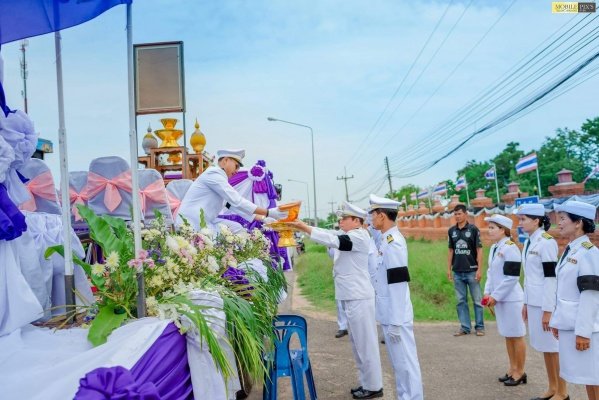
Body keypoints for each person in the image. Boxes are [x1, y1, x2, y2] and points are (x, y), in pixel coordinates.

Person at [289, 202, 383, 399]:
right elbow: (328, 234)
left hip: (359, 297)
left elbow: (332, 239)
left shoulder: (359, 237)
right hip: (351, 296)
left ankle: (374, 386)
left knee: (366, 345)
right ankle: (366, 383)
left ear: (357, 221)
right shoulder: (350, 235)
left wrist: (303, 227)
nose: (340, 220)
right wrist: (303, 226)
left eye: (344, 218)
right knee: (357, 344)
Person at [368, 194, 423, 400]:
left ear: (382, 215)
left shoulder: (394, 242)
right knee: (399, 365)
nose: (371, 219)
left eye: (373, 214)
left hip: (396, 315)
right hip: (389, 313)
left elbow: (398, 284)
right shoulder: (384, 240)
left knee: (406, 364)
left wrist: (397, 321)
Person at [515, 203, 568, 400]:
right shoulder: (529, 241)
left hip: (545, 304)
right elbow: (529, 277)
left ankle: (562, 392)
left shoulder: (546, 242)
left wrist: (548, 310)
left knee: (553, 349)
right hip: (534, 302)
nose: (520, 223)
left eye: (523, 219)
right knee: (545, 347)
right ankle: (552, 387)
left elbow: (550, 278)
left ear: (536, 220)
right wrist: (526, 303)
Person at [550, 200, 599, 400]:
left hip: (587, 329)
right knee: (588, 377)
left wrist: (583, 333)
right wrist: (556, 319)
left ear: (578, 222)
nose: (558, 223)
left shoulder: (589, 253)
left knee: (594, 378)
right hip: (569, 322)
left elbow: (591, 295)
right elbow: (564, 290)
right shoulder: (570, 249)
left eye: (563, 219)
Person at [176, 149, 287, 232]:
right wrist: (269, 212)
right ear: (225, 160)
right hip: (190, 224)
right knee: (233, 236)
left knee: (237, 229)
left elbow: (232, 206)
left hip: (204, 222)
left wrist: (263, 218)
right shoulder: (214, 174)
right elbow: (237, 201)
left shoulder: (220, 179)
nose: (237, 171)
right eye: (236, 166)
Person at [483, 214, 527, 387]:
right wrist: (487, 293)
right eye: (490, 227)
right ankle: (512, 368)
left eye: (493, 227)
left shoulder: (510, 248)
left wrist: (495, 296)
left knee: (517, 336)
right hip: (500, 299)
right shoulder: (495, 248)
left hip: (512, 299)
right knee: (508, 336)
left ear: (503, 230)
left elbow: (511, 277)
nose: (489, 230)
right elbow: (490, 273)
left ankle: (520, 371)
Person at [447, 204, 485, 336]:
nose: (457, 216)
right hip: (457, 271)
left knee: (477, 300)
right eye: (455, 214)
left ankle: (479, 327)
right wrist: (449, 269)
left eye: (459, 214)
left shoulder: (473, 230)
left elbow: (479, 250)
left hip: (472, 271)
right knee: (460, 301)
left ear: (465, 214)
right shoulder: (452, 231)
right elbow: (451, 250)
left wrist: (479, 269)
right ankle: (465, 327)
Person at [328, 247, 349, 338]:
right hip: (338, 274)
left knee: (352, 302)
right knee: (339, 302)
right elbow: (332, 255)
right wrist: (329, 246)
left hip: (350, 274)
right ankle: (343, 327)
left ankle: (353, 326)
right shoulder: (336, 237)